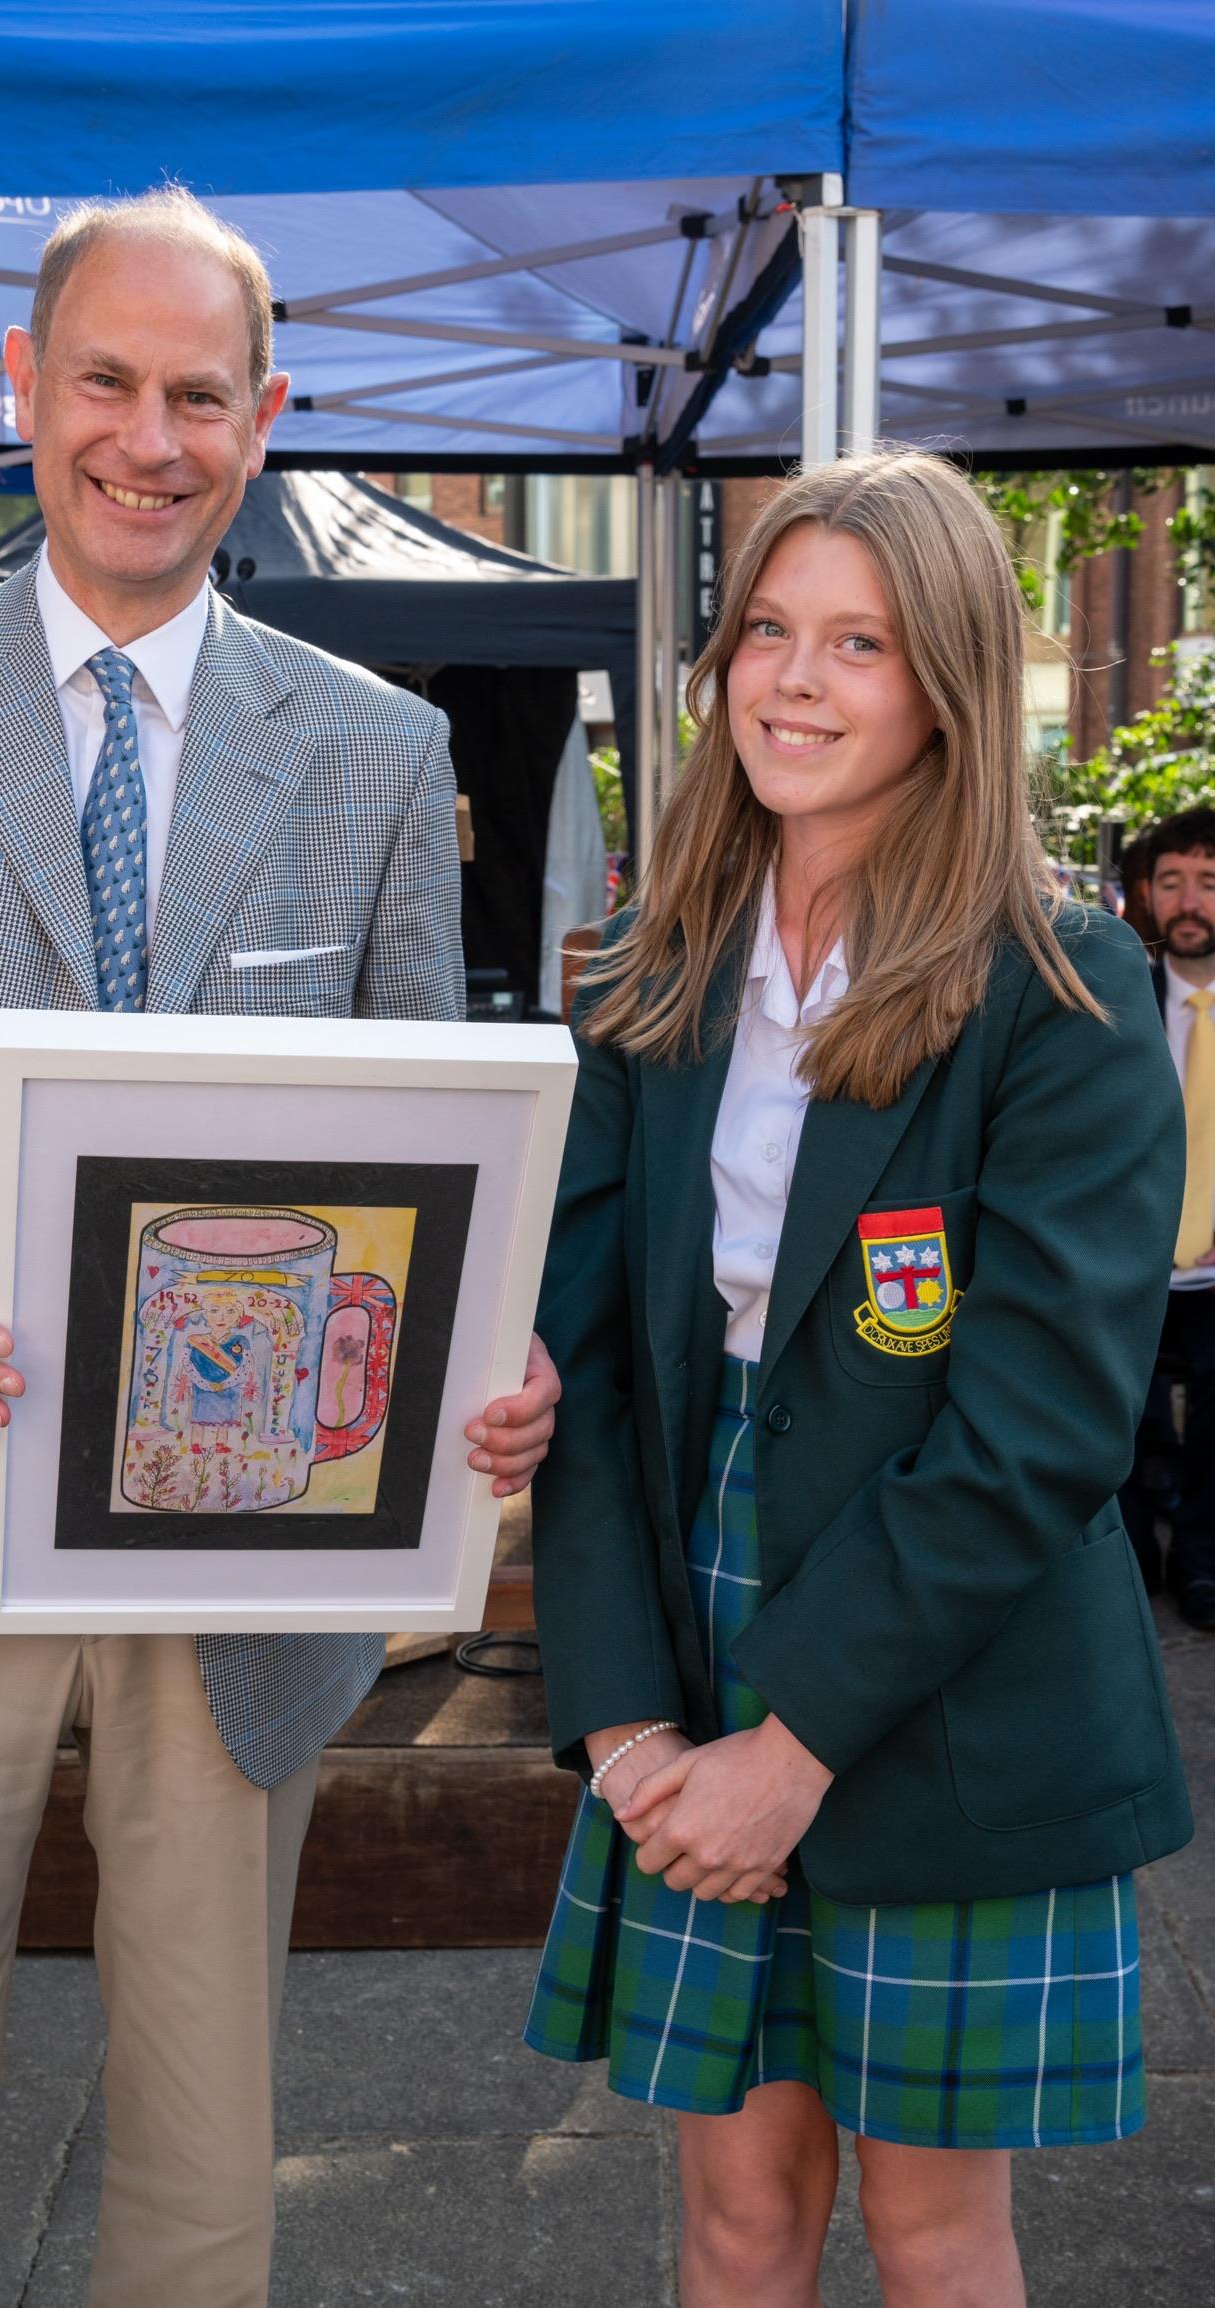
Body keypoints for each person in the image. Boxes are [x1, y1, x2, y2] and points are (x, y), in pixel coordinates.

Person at [0, 188, 557, 2308]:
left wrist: (469, 1364)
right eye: (108, 381)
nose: (148, 437)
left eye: (198, 395)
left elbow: (423, 1149)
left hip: (239, 1548)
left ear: (262, 420)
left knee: (199, 2160)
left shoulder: (373, 746)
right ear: (23, 383)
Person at [522, 450, 1192, 2308]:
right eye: (766, 631)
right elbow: (583, 1367)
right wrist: (629, 1722)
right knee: (736, 2219)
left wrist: (791, 1743)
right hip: (692, 1593)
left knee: (930, 2228)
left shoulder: (1059, 988)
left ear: (950, 685)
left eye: (860, 645)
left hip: (944, 1650)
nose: (792, 682)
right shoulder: (651, 975)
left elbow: (1044, 1429)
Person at [1120, 805, 1215, 1629]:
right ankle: (1131, 1567)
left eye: (1209, 884)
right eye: (1173, 882)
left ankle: (1202, 1566)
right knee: (1122, 1424)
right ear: (1148, 894)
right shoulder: (1119, 995)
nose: (1190, 902)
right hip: (1133, 1260)